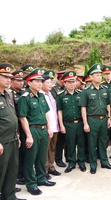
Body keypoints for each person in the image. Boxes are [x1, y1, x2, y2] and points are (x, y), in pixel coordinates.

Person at [18, 68, 56, 196]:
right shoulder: (25, 97)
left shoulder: (41, 96)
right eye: (37, 81)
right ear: (29, 82)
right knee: (30, 158)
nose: (40, 83)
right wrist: (28, 135)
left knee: (41, 156)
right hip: (32, 130)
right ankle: (31, 184)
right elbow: (23, 118)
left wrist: (49, 127)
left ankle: (41, 178)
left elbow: (45, 113)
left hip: (43, 129)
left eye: (41, 81)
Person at [79, 63, 111, 174]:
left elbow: (108, 104)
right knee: (92, 143)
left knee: (103, 141)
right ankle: (93, 164)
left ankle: (104, 162)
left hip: (103, 119)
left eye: (100, 75)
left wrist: (109, 118)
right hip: (92, 119)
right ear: (91, 76)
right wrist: (85, 123)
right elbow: (83, 108)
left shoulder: (105, 89)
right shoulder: (86, 91)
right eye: (97, 75)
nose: (99, 77)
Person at [0, 63, 23, 200]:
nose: (9, 79)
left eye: (10, 77)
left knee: (11, 171)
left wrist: (18, 136)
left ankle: (9, 196)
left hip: (13, 139)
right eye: (5, 76)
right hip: (2, 141)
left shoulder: (8, 94)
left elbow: (12, 116)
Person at [57, 71, 86, 173]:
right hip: (68, 123)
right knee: (70, 144)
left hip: (80, 122)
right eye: (69, 82)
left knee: (81, 143)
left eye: (73, 81)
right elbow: (59, 111)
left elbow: (83, 109)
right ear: (64, 83)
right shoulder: (61, 96)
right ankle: (71, 162)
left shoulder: (81, 94)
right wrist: (61, 125)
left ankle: (81, 162)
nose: (72, 84)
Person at [40, 72, 61, 179]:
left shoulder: (50, 94)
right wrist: (48, 127)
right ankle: (45, 170)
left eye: (51, 82)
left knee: (52, 148)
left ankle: (51, 167)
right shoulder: (40, 95)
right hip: (47, 127)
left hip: (54, 125)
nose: (50, 84)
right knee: (45, 149)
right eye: (48, 82)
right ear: (41, 83)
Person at [9, 69, 26, 186]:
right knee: (17, 154)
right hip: (15, 127)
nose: (21, 83)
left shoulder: (23, 93)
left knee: (24, 152)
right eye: (18, 80)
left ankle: (22, 173)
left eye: (22, 80)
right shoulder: (10, 94)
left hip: (24, 126)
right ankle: (17, 175)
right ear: (12, 81)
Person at [51, 70, 68, 168]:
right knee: (59, 142)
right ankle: (58, 159)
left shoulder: (64, 88)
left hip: (66, 118)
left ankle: (67, 157)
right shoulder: (54, 89)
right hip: (58, 118)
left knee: (67, 141)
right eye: (63, 80)